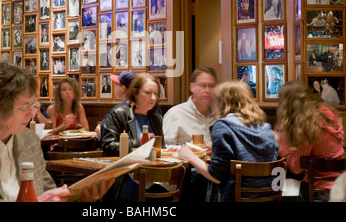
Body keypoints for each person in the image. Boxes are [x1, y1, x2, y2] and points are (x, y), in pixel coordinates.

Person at [0, 62, 112, 201]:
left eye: (33, 104)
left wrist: (81, 197)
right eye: (23, 106)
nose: (31, 113)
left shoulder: (29, 140)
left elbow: (49, 193)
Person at [178, 80, 278, 202]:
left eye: (214, 101)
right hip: (269, 198)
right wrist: (216, 150)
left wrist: (191, 157)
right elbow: (245, 155)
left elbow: (216, 176)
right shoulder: (266, 128)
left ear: (222, 102)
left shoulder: (223, 126)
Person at [275, 81, 344, 202]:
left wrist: (281, 144)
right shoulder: (327, 112)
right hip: (340, 186)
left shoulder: (309, 124)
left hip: (319, 192)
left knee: (281, 191)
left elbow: (297, 168)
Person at [101, 73, 164, 201]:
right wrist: (137, 142)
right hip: (124, 175)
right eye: (148, 93)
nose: (153, 98)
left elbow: (160, 148)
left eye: (155, 94)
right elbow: (108, 147)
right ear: (135, 93)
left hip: (152, 173)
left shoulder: (156, 117)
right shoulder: (119, 114)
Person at [163, 67, 220, 202]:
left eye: (211, 86)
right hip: (185, 179)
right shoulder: (176, 114)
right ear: (192, 87)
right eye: (202, 85)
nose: (207, 90)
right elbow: (165, 150)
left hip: (215, 174)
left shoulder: (219, 115)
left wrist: (215, 149)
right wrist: (190, 151)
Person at [97, 71, 136, 142]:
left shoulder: (117, 111)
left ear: (123, 88)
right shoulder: (139, 107)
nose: (114, 86)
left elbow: (105, 139)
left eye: (116, 84)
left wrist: (100, 132)